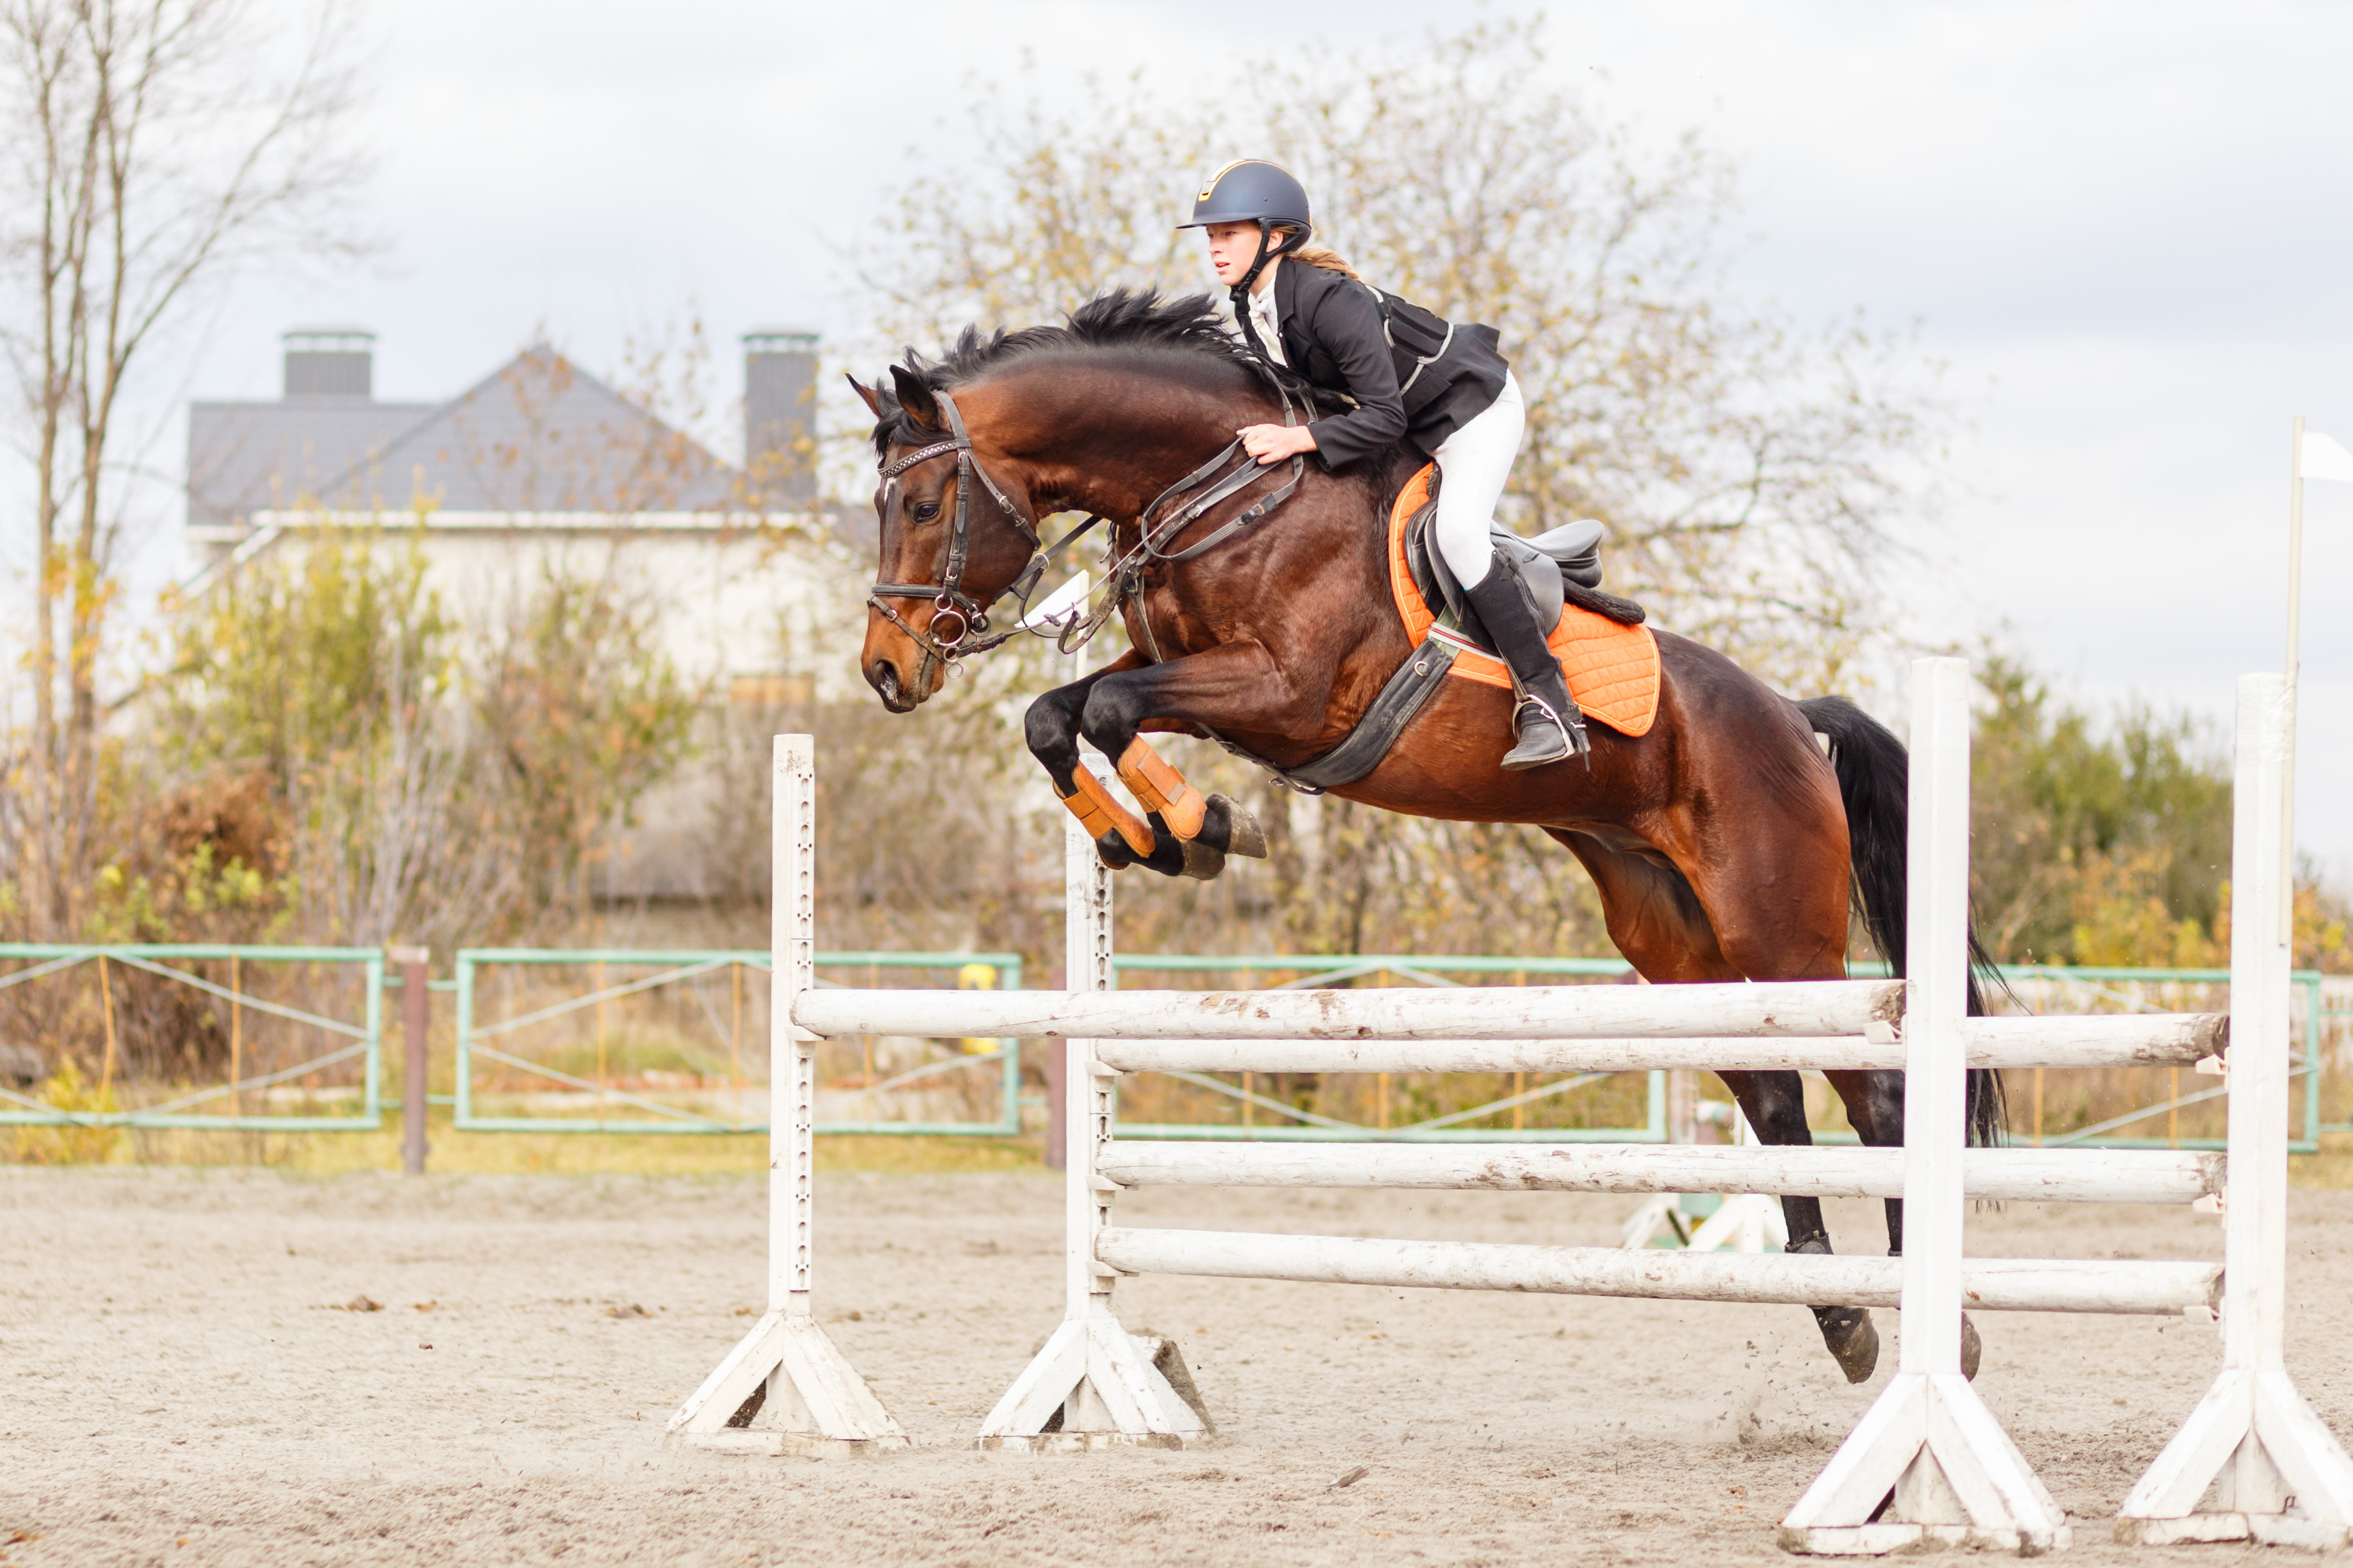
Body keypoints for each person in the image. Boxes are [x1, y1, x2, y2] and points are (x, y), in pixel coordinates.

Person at [1178, 158, 1586, 768]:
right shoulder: (1251, 305)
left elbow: (1383, 417)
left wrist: (1297, 442)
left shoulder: (1329, 300)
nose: (1214, 249)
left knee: (1456, 535)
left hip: (1470, 412)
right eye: (1211, 236)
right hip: (1402, 419)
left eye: (1228, 234)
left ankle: (1550, 701)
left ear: (1276, 237)